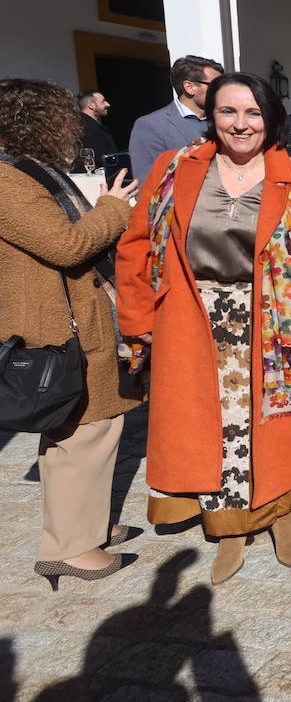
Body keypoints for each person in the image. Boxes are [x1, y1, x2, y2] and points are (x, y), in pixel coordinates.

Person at [117, 71, 291, 585]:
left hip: (278, 322)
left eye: (253, 112)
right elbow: (136, 244)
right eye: (228, 111)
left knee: (280, 423)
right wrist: (138, 318)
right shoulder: (175, 169)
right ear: (210, 116)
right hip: (193, 318)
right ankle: (229, 524)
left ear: (271, 118)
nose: (241, 124)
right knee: (215, 426)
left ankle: (283, 513)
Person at [0, 79, 143, 589]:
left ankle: (87, 526)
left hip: (74, 317)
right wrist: (113, 209)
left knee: (90, 428)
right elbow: (65, 245)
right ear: (39, 123)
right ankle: (69, 548)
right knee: (80, 432)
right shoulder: (8, 182)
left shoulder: (28, 174)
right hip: (56, 328)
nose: (74, 127)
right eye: (64, 119)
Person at [129, 55, 223, 180]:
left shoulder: (223, 119)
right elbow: (147, 181)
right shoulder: (151, 125)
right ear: (189, 87)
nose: (222, 90)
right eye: (216, 86)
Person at [74, 91, 117, 165]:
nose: (108, 104)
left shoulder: (82, 124)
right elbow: (101, 158)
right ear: (91, 105)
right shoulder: (87, 128)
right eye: (103, 101)